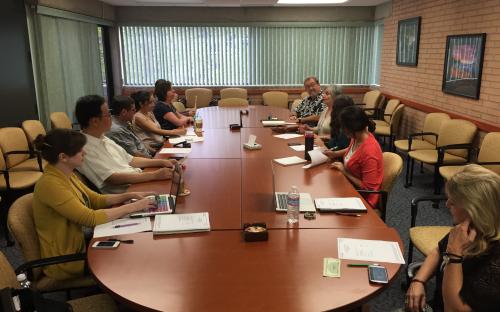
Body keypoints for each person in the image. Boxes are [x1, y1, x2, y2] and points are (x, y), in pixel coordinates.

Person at [33, 129, 156, 280]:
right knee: (132, 257)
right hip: (66, 259)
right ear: (63, 157)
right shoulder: (51, 184)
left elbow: (95, 199)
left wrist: (129, 195)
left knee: (134, 244)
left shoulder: (65, 173)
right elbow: (90, 218)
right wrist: (135, 206)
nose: (84, 153)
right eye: (79, 151)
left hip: (79, 243)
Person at [406, 165, 500, 312]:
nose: (447, 203)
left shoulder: (495, 258)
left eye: (453, 201)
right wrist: (418, 280)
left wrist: (454, 255)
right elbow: (438, 251)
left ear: (475, 209)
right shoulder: (467, 229)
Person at [75, 94, 176, 194]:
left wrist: (161, 162)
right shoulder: (84, 149)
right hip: (128, 192)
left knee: (177, 180)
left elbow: (131, 160)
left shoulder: (103, 138)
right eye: (108, 114)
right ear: (95, 121)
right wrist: (154, 175)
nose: (111, 117)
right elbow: (112, 178)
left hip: (138, 181)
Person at [330, 105, 383, 208]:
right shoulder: (359, 137)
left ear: (353, 128)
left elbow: (369, 189)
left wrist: (344, 171)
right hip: (350, 187)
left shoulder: (370, 152)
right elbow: (353, 151)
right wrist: (335, 154)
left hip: (363, 199)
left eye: (344, 128)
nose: (342, 130)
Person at [315, 95, 354, 160]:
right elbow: (333, 143)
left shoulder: (346, 129)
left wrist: (322, 145)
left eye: (334, 108)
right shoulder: (338, 123)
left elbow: (341, 153)